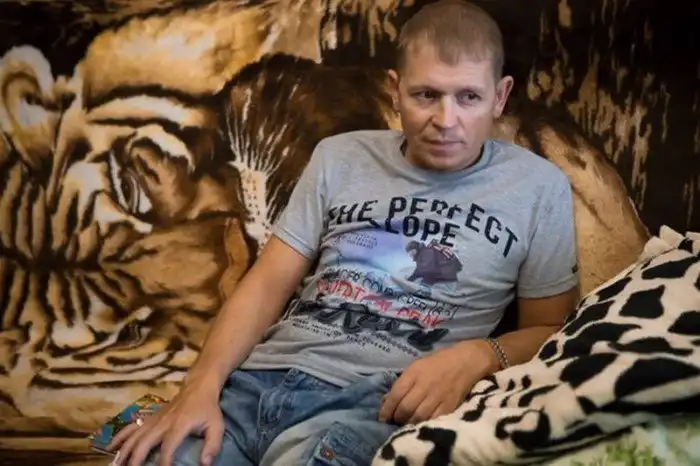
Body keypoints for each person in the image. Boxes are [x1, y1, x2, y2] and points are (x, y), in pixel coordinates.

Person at [108, 1, 579, 465]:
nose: (445, 120)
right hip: (255, 385)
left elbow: (551, 330)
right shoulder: (340, 156)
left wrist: (479, 356)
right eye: (425, 95)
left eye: (469, 97)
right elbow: (268, 282)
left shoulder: (538, 188)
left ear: (500, 96)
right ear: (395, 90)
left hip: (376, 401)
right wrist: (200, 387)